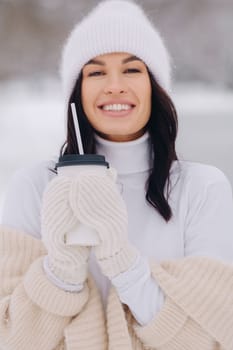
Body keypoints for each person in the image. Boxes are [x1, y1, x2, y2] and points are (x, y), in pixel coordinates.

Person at [1, 1, 233, 349]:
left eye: (132, 70)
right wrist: (62, 271)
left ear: (155, 87)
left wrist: (123, 262)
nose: (114, 86)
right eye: (95, 73)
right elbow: (13, 338)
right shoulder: (34, 188)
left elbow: (210, 337)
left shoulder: (202, 189)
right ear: (76, 92)